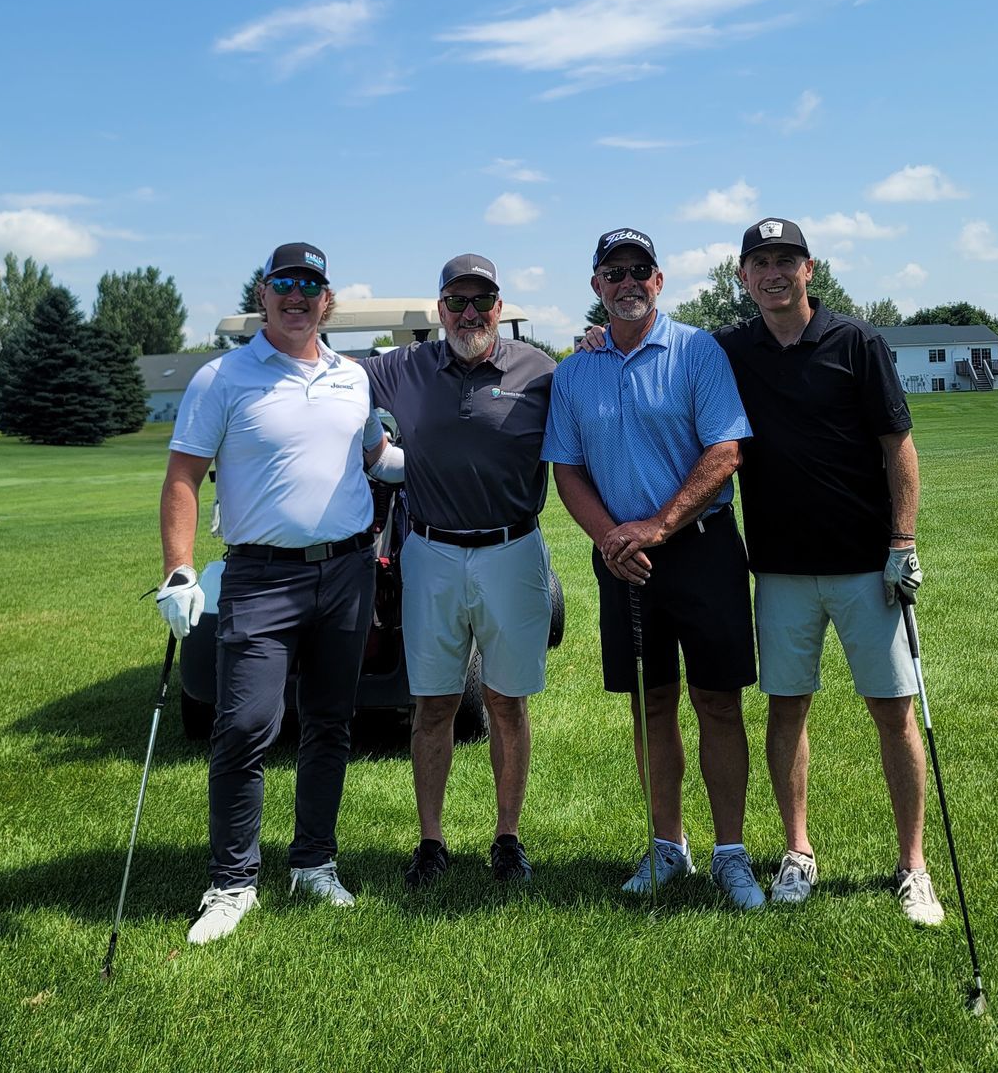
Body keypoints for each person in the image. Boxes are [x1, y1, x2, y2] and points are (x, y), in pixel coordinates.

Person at [155, 241, 404, 946]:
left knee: (331, 722)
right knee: (244, 725)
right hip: (261, 576)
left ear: (327, 300)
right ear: (263, 295)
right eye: (285, 284)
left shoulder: (353, 378)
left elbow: (376, 459)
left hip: (348, 572)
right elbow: (183, 477)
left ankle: (314, 863)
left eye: (311, 286)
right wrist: (179, 569)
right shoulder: (222, 377)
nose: (298, 297)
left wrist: (445, 462)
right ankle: (232, 882)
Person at [713, 217, 943, 925]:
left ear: (810, 269)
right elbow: (663, 349)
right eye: (760, 262)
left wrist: (902, 542)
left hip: (866, 566)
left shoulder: (857, 341)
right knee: (787, 708)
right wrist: (599, 337)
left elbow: (898, 446)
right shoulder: (730, 349)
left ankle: (913, 866)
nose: (773, 273)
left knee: (893, 711)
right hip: (779, 569)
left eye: (787, 260)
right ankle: (798, 851)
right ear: (743, 276)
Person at [542, 228, 764, 909]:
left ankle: (730, 853)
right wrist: (613, 539)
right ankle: (668, 845)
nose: (628, 282)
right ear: (597, 286)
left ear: (659, 280)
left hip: (700, 547)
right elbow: (567, 469)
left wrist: (659, 526)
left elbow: (725, 452)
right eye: (614, 273)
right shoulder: (575, 371)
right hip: (623, 562)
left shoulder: (697, 351)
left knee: (717, 701)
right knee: (651, 701)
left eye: (640, 269)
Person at [362, 253, 556, 889]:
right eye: (457, 302)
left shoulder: (540, 371)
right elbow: (336, 381)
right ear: (440, 308)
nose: (469, 313)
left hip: (512, 549)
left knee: (506, 701)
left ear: (499, 307)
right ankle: (431, 841)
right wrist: (372, 448)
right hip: (432, 552)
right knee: (434, 702)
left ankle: (508, 837)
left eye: (482, 301)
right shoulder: (405, 366)